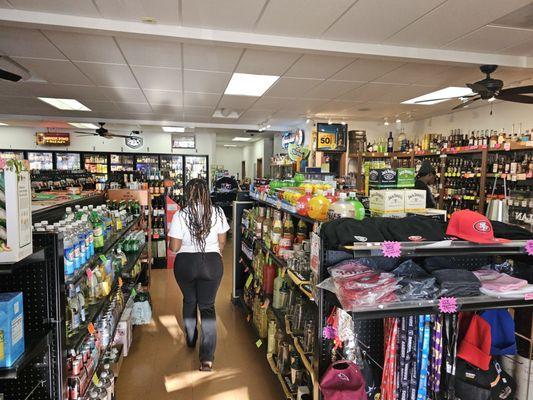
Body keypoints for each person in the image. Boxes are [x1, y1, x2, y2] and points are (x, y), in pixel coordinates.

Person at [168, 178, 230, 372]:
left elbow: (175, 247)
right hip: (211, 263)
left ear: (188, 194)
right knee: (207, 307)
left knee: (189, 301)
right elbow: (222, 243)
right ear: (206, 193)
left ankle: (191, 339)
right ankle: (206, 358)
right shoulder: (218, 212)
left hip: (185, 264)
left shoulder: (180, 215)